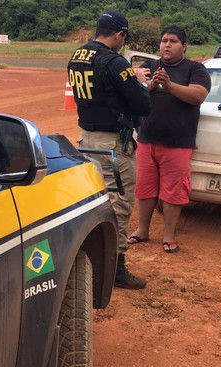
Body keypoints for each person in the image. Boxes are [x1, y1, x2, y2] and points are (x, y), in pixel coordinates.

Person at [67, 10, 152, 289]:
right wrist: (140, 82)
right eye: (123, 38)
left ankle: (91, 259)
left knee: (93, 199)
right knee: (119, 202)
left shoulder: (77, 57)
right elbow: (143, 105)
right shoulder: (114, 63)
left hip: (87, 139)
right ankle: (115, 266)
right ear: (118, 35)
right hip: (114, 144)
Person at [127, 25, 211, 253]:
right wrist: (150, 86)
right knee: (145, 189)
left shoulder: (195, 69)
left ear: (184, 46)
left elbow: (198, 96)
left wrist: (170, 85)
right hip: (146, 139)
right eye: (164, 40)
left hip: (178, 143)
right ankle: (142, 230)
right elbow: (134, 90)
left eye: (173, 41)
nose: (167, 44)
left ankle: (168, 236)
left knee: (173, 191)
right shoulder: (150, 66)